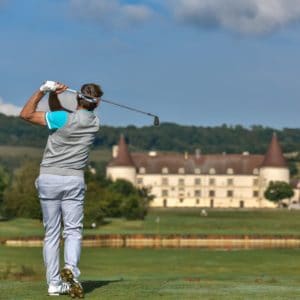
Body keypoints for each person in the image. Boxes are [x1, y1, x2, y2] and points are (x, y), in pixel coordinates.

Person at [20, 81, 103, 297]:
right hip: (73, 180)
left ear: (77, 98)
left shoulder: (61, 119)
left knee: (52, 233)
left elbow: (26, 114)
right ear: (98, 103)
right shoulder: (95, 122)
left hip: (49, 178)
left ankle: (54, 284)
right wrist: (54, 96)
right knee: (73, 230)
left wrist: (42, 90)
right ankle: (71, 271)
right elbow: (62, 115)